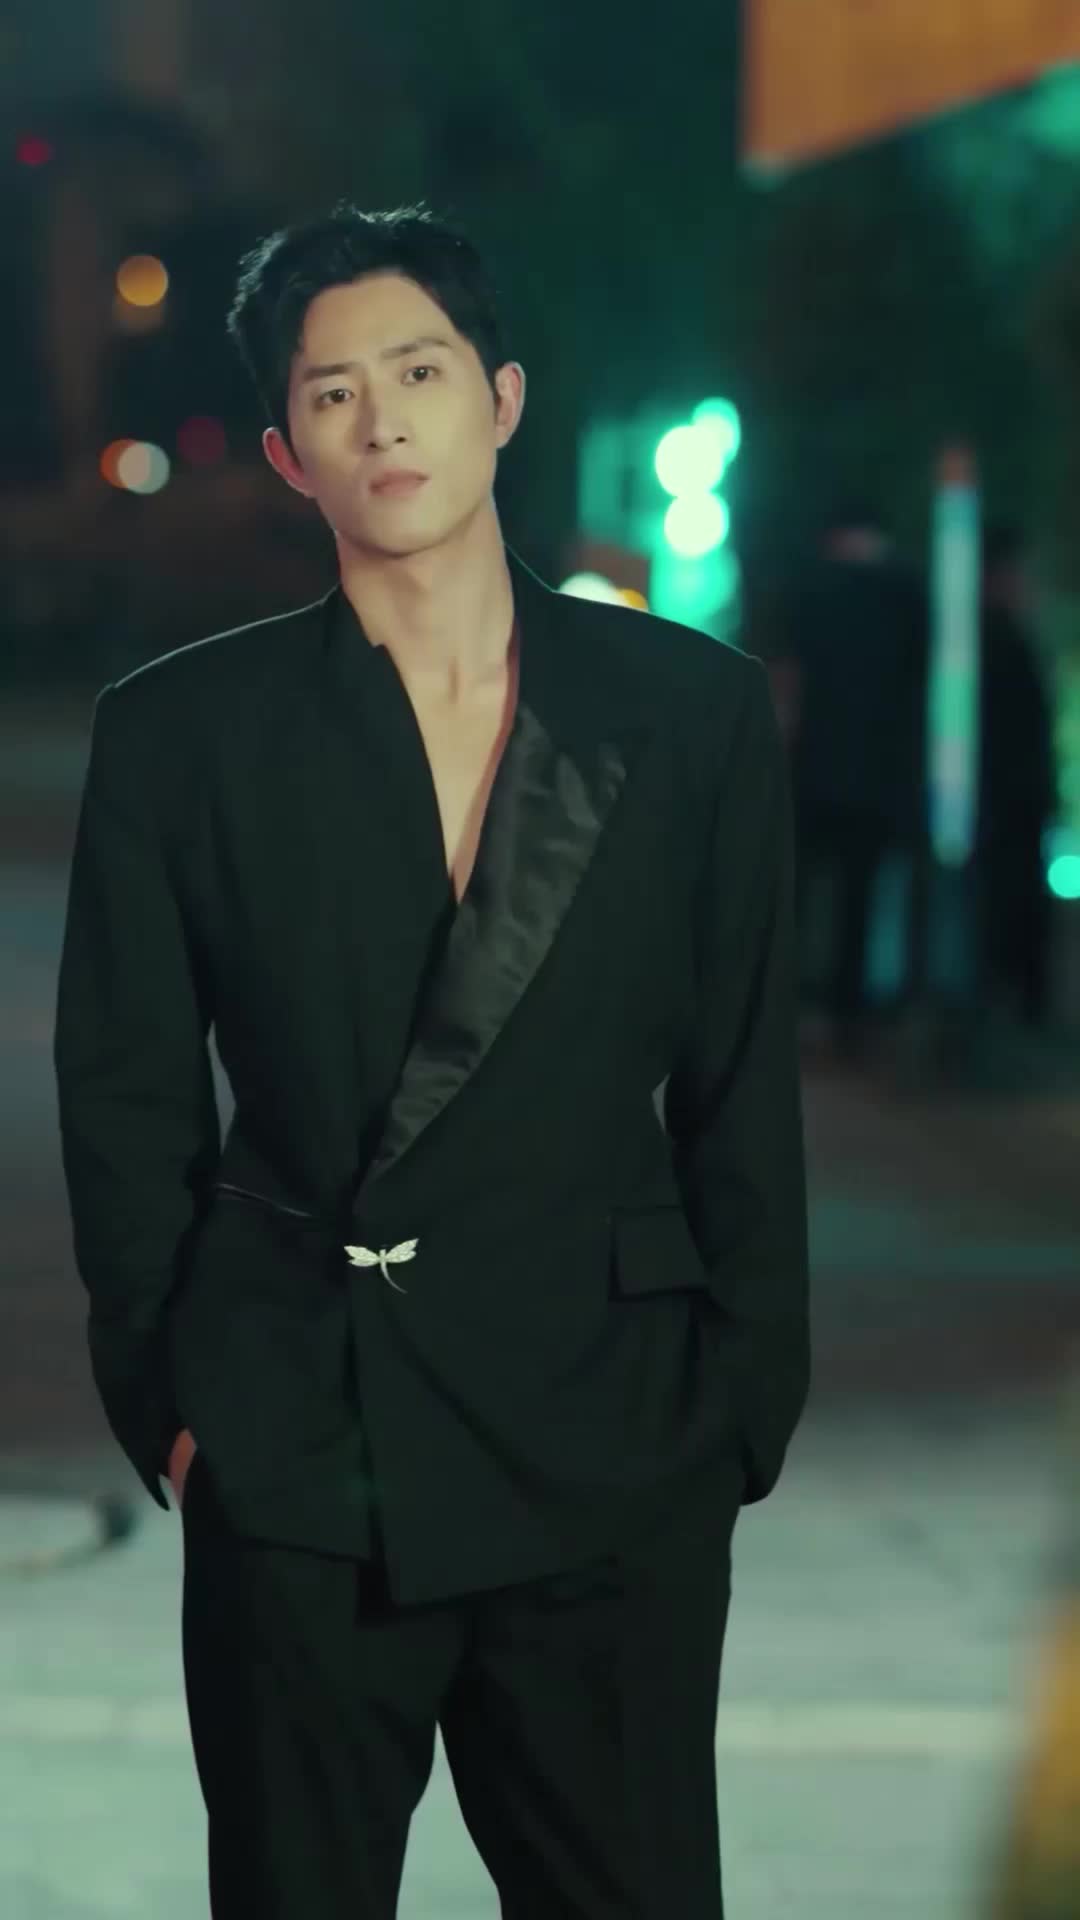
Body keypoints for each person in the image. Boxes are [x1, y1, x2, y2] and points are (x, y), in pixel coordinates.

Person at [53, 201, 809, 1919]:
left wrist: (735, 1416)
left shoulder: (685, 712)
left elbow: (743, 1088)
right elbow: (127, 1099)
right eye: (333, 394)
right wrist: (181, 1411)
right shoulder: (180, 738)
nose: (382, 422)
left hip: (610, 1441)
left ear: (503, 398)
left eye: (419, 372)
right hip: (300, 1448)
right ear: (285, 453)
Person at [780, 503, 929, 1061]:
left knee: (795, 895)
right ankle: (849, 1015)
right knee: (858, 900)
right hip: (880, 777)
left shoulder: (809, 589)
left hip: (814, 770)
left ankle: (793, 1008)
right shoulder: (907, 593)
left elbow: (788, 683)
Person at [977, 526, 1056, 1029]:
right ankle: (1017, 1000)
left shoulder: (1001, 638)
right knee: (1011, 902)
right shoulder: (998, 641)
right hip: (1009, 801)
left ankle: (1019, 998)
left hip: (1014, 800)